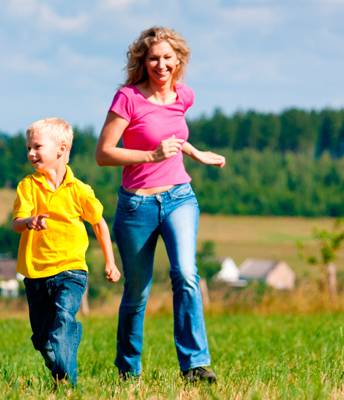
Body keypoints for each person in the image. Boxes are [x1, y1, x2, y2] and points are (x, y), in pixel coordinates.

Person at [95, 26, 225, 383]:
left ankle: (195, 365)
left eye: (168, 57)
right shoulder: (128, 98)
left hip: (180, 197)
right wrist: (150, 156)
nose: (161, 64)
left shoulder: (185, 96)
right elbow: (103, 153)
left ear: (178, 60)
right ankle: (128, 370)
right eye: (154, 58)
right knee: (137, 291)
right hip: (137, 206)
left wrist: (195, 153)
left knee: (186, 274)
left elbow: (173, 137)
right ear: (143, 61)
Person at [12, 118, 121, 386]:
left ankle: (68, 382)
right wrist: (29, 222)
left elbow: (98, 223)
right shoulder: (28, 186)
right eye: (28, 148)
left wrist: (110, 261)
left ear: (61, 149)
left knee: (64, 318)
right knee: (41, 338)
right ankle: (59, 371)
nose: (30, 153)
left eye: (37, 146)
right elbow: (16, 224)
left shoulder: (80, 190)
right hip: (35, 272)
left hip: (71, 269)